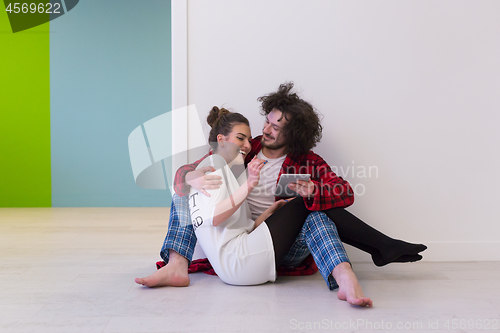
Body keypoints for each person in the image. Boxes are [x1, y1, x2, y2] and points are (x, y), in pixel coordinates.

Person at [137, 106, 372, 307]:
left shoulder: (310, 162)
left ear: (293, 134)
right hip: (248, 239)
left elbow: (345, 191)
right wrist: (190, 178)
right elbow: (189, 172)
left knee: (313, 214)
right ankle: (177, 264)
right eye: (267, 122)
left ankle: (345, 276)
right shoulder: (246, 151)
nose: (266, 130)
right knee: (183, 190)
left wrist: (313, 192)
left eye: (276, 127)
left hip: (284, 244)